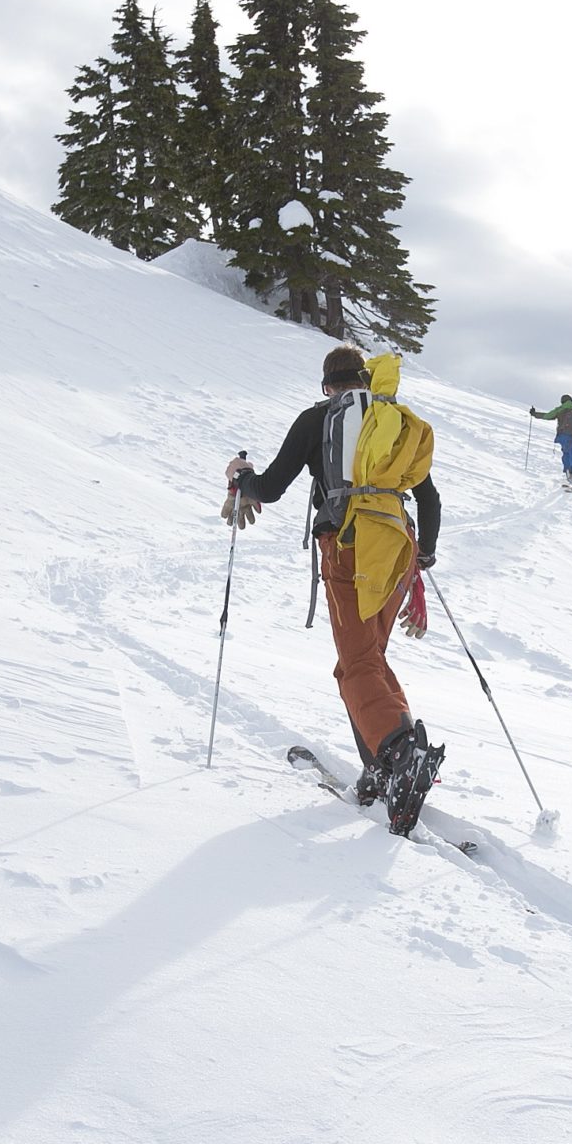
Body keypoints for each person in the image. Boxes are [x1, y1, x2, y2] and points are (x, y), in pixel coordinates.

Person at [221, 345, 446, 834]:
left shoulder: (317, 419)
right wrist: (421, 555)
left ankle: (401, 755)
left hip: (348, 547)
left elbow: (272, 487)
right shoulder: (390, 420)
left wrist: (240, 477)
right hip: (396, 546)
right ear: (365, 380)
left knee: (358, 662)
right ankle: (382, 765)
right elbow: (428, 496)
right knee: (364, 660)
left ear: (328, 385)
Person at [529, 394, 572, 489]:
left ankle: (568, 473)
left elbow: (548, 416)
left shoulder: (560, 409)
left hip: (564, 435)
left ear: (562, 401)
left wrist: (534, 414)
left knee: (566, 453)